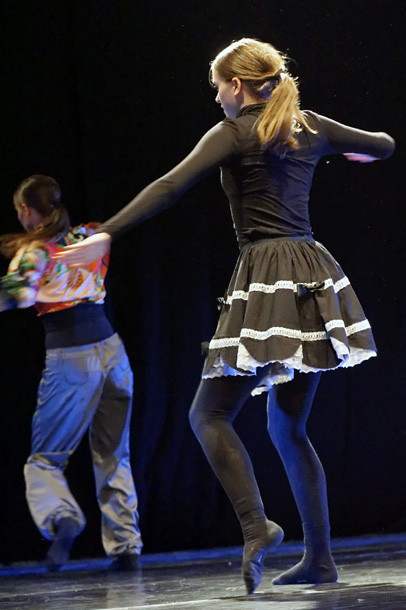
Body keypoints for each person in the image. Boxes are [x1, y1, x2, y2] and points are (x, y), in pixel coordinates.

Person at [55, 38, 395, 593]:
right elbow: (384, 144)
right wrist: (363, 152)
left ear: (237, 85)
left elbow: (170, 186)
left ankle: (257, 525)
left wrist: (106, 233)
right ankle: (320, 560)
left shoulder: (236, 132)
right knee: (288, 428)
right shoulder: (310, 126)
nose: (217, 98)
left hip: (269, 273)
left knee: (207, 415)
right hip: (311, 273)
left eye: (218, 87)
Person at [0, 175, 143, 571]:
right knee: (114, 453)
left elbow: (20, 294)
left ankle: (61, 517)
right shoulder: (89, 235)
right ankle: (126, 548)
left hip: (72, 357)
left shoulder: (34, 252)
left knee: (44, 460)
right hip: (114, 353)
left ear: (26, 210)